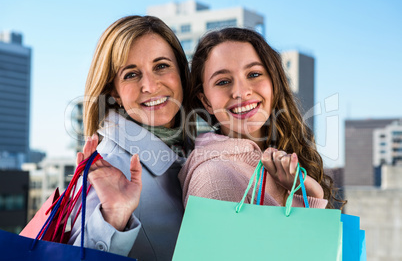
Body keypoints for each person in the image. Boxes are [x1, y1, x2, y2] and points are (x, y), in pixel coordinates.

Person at [68, 15, 194, 261]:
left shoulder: (188, 146)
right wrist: (113, 216)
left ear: (180, 71)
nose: (150, 85)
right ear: (112, 90)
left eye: (161, 66)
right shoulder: (112, 163)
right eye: (131, 74)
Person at [179, 27, 342, 209]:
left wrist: (307, 193)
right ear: (206, 101)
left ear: (274, 82)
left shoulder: (287, 156)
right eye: (223, 81)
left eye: (254, 74)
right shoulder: (213, 177)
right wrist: (312, 198)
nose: (241, 92)